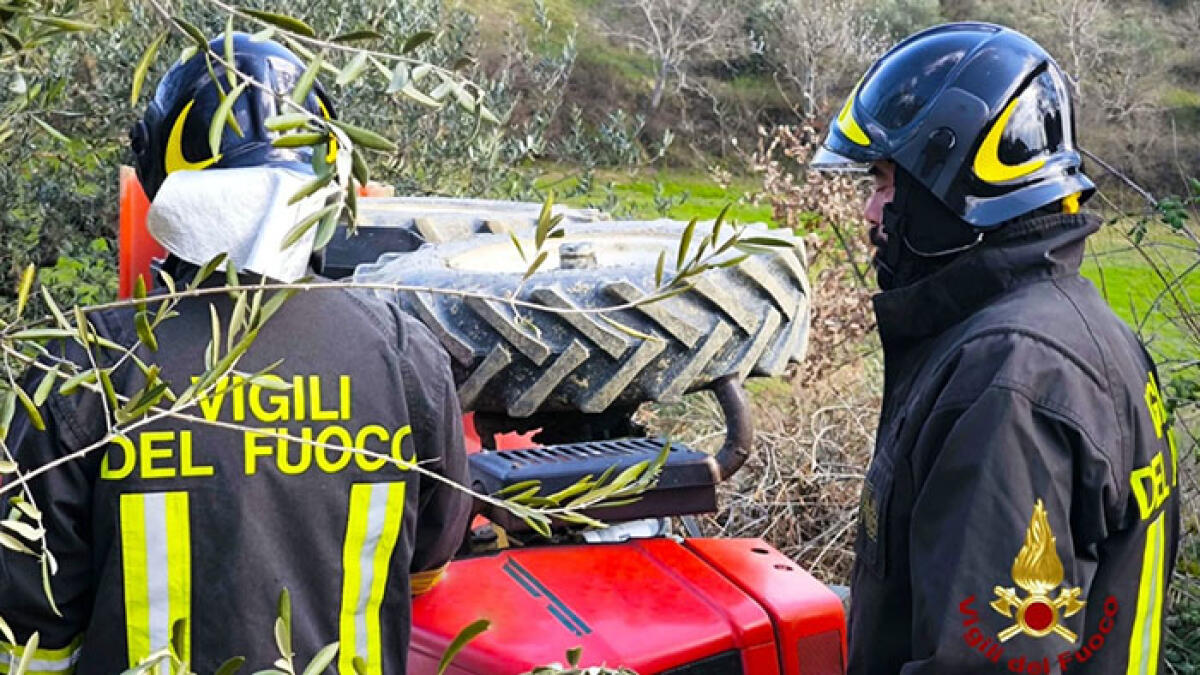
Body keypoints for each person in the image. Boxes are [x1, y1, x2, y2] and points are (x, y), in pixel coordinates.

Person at [0, 34, 471, 673]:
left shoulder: (83, 367)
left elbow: (33, 634)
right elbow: (426, 567)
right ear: (330, 177)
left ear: (159, 178)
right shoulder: (404, 354)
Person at [812, 22, 1181, 674]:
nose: (870, 212)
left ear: (947, 182)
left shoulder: (1010, 381)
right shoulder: (1085, 335)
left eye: (885, 181)